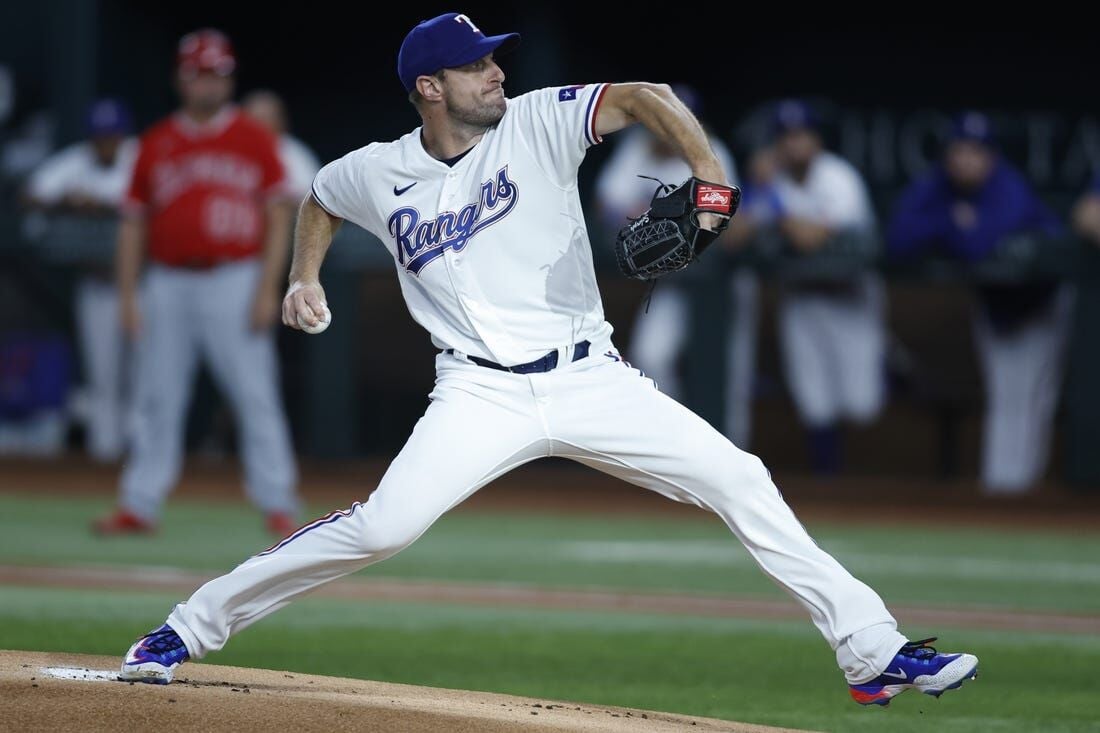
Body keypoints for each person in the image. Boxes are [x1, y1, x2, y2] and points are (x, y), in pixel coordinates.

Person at [118, 13, 978, 707]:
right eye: (477, 65)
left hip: (589, 377)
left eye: (496, 60)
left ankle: (873, 650)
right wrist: (304, 274)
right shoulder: (374, 171)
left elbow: (645, 96)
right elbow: (317, 198)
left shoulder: (536, 120)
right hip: (476, 393)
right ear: (430, 88)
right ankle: (186, 628)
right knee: (381, 527)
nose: (497, 72)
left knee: (740, 477)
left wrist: (710, 181)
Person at [92, 29, 300, 536]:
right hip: (167, 280)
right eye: (199, 74)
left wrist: (269, 287)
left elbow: (278, 218)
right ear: (181, 79)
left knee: (254, 393)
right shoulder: (156, 141)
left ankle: (278, 503)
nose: (208, 85)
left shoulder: (254, 138)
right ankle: (139, 503)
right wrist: (127, 295)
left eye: (217, 75)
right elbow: (132, 224)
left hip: (235, 276)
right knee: (157, 395)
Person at [889, 112, 1067, 494]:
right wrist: (951, 221)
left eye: (977, 151)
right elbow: (898, 239)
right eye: (960, 150)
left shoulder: (1009, 187)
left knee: (1030, 399)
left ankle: (1015, 492)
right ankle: (1005, 490)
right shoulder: (939, 186)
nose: (966, 159)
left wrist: (951, 228)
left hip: (1040, 301)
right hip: (998, 305)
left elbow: (979, 245)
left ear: (992, 156)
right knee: (1007, 395)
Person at [594, 87, 758, 447]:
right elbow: (607, 203)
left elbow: (726, 224)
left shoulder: (711, 155)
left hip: (719, 286)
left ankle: (732, 454)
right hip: (672, 283)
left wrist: (668, 216)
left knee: (727, 374)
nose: (665, 128)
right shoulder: (638, 149)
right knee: (652, 356)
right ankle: (671, 445)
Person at [770, 100, 884, 474]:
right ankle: (829, 491)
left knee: (861, 404)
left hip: (849, 296)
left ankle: (897, 369)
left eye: (801, 135)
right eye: (785, 137)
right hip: (802, 296)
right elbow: (740, 231)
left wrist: (778, 211)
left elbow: (810, 238)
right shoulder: (773, 182)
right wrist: (762, 190)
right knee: (814, 401)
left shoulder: (837, 177)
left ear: (816, 140)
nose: (793, 144)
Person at [24, 98, 139, 461]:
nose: (106, 143)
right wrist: (69, 203)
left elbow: (153, 205)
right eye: (100, 137)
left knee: (145, 381)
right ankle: (105, 463)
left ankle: (143, 463)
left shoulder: (140, 157)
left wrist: (102, 206)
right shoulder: (77, 160)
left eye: (113, 136)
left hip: (143, 287)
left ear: (124, 136)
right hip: (98, 285)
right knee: (103, 380)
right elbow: (31, 194)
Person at [242, 90, 320, 201]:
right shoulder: (234, 150)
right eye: (253, 119)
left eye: (265, 118)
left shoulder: (293, 152)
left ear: (280, 121)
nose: (258, 125)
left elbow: (311, 198)